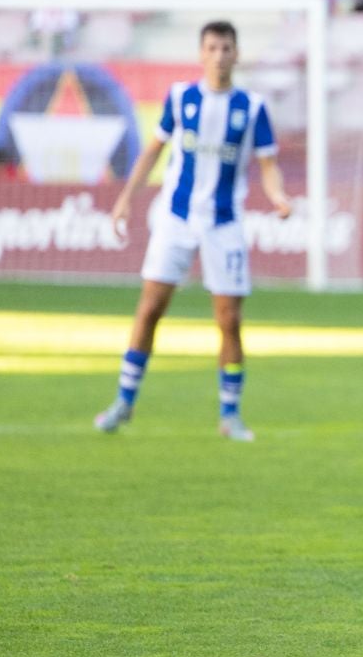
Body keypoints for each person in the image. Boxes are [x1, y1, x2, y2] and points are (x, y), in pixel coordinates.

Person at [96, 22, 294, 443]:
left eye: (226, 47)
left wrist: (278, 197)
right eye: (212, 47)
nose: (220, 55)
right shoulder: (181, 97)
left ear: (237, 54)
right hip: (176, 218)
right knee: (150, 309)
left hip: (224, 222)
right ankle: (124, 401)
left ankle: (230, 415)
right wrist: (126, 197)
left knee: (229, 319)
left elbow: (268, 164)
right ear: (200, 53)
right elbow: (154, 149)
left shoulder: (252, 107)